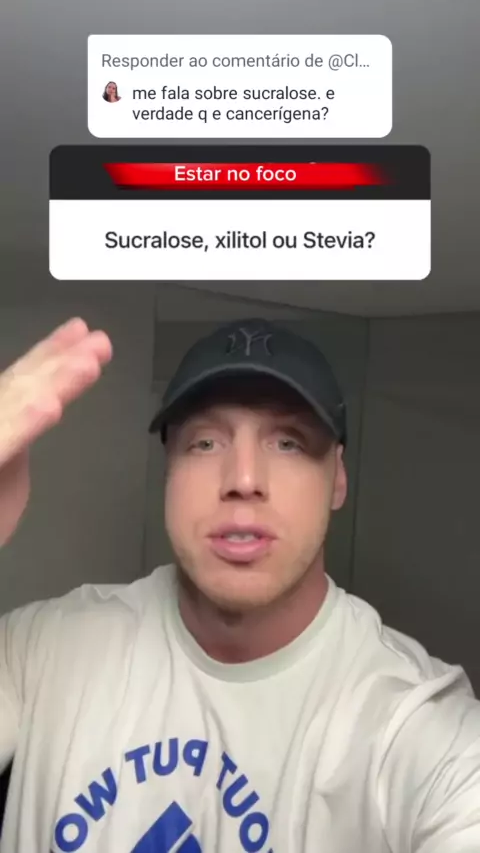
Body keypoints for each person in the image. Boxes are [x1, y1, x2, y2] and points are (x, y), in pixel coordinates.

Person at [0, 315, 479, 853]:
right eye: (205, 443)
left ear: (338, 477)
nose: (244, 480)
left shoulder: (413, 727)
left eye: (289, 443)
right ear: (169, 472)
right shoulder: (42, 652)